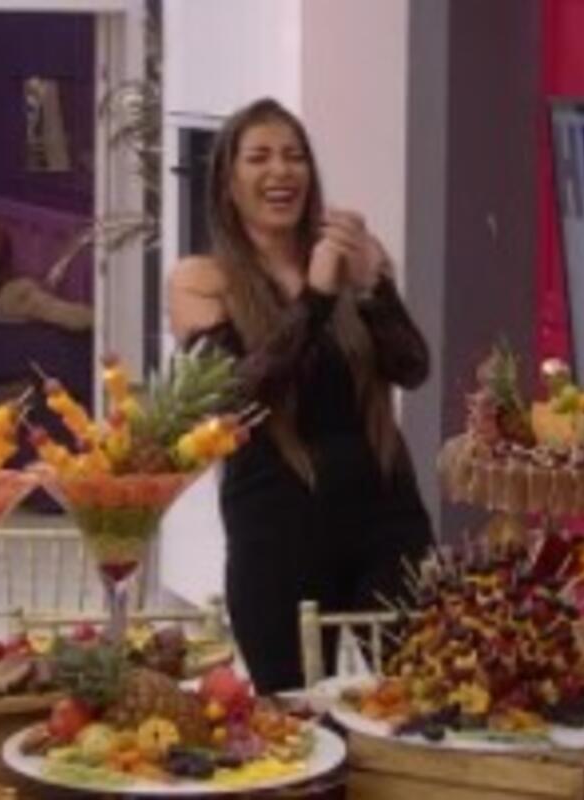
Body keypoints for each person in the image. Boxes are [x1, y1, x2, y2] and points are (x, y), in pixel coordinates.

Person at [167, 98, 434, 692]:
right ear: (228, 182)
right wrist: (315, 297)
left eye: (294, 156)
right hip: (276, 531)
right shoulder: (201, 280)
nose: (280, 171)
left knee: (421, 699)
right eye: (259, 157)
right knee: (292, 716)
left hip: (384, 516)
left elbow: (412, 368)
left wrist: (375, 289)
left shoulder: (348, 258)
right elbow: (240, 395)